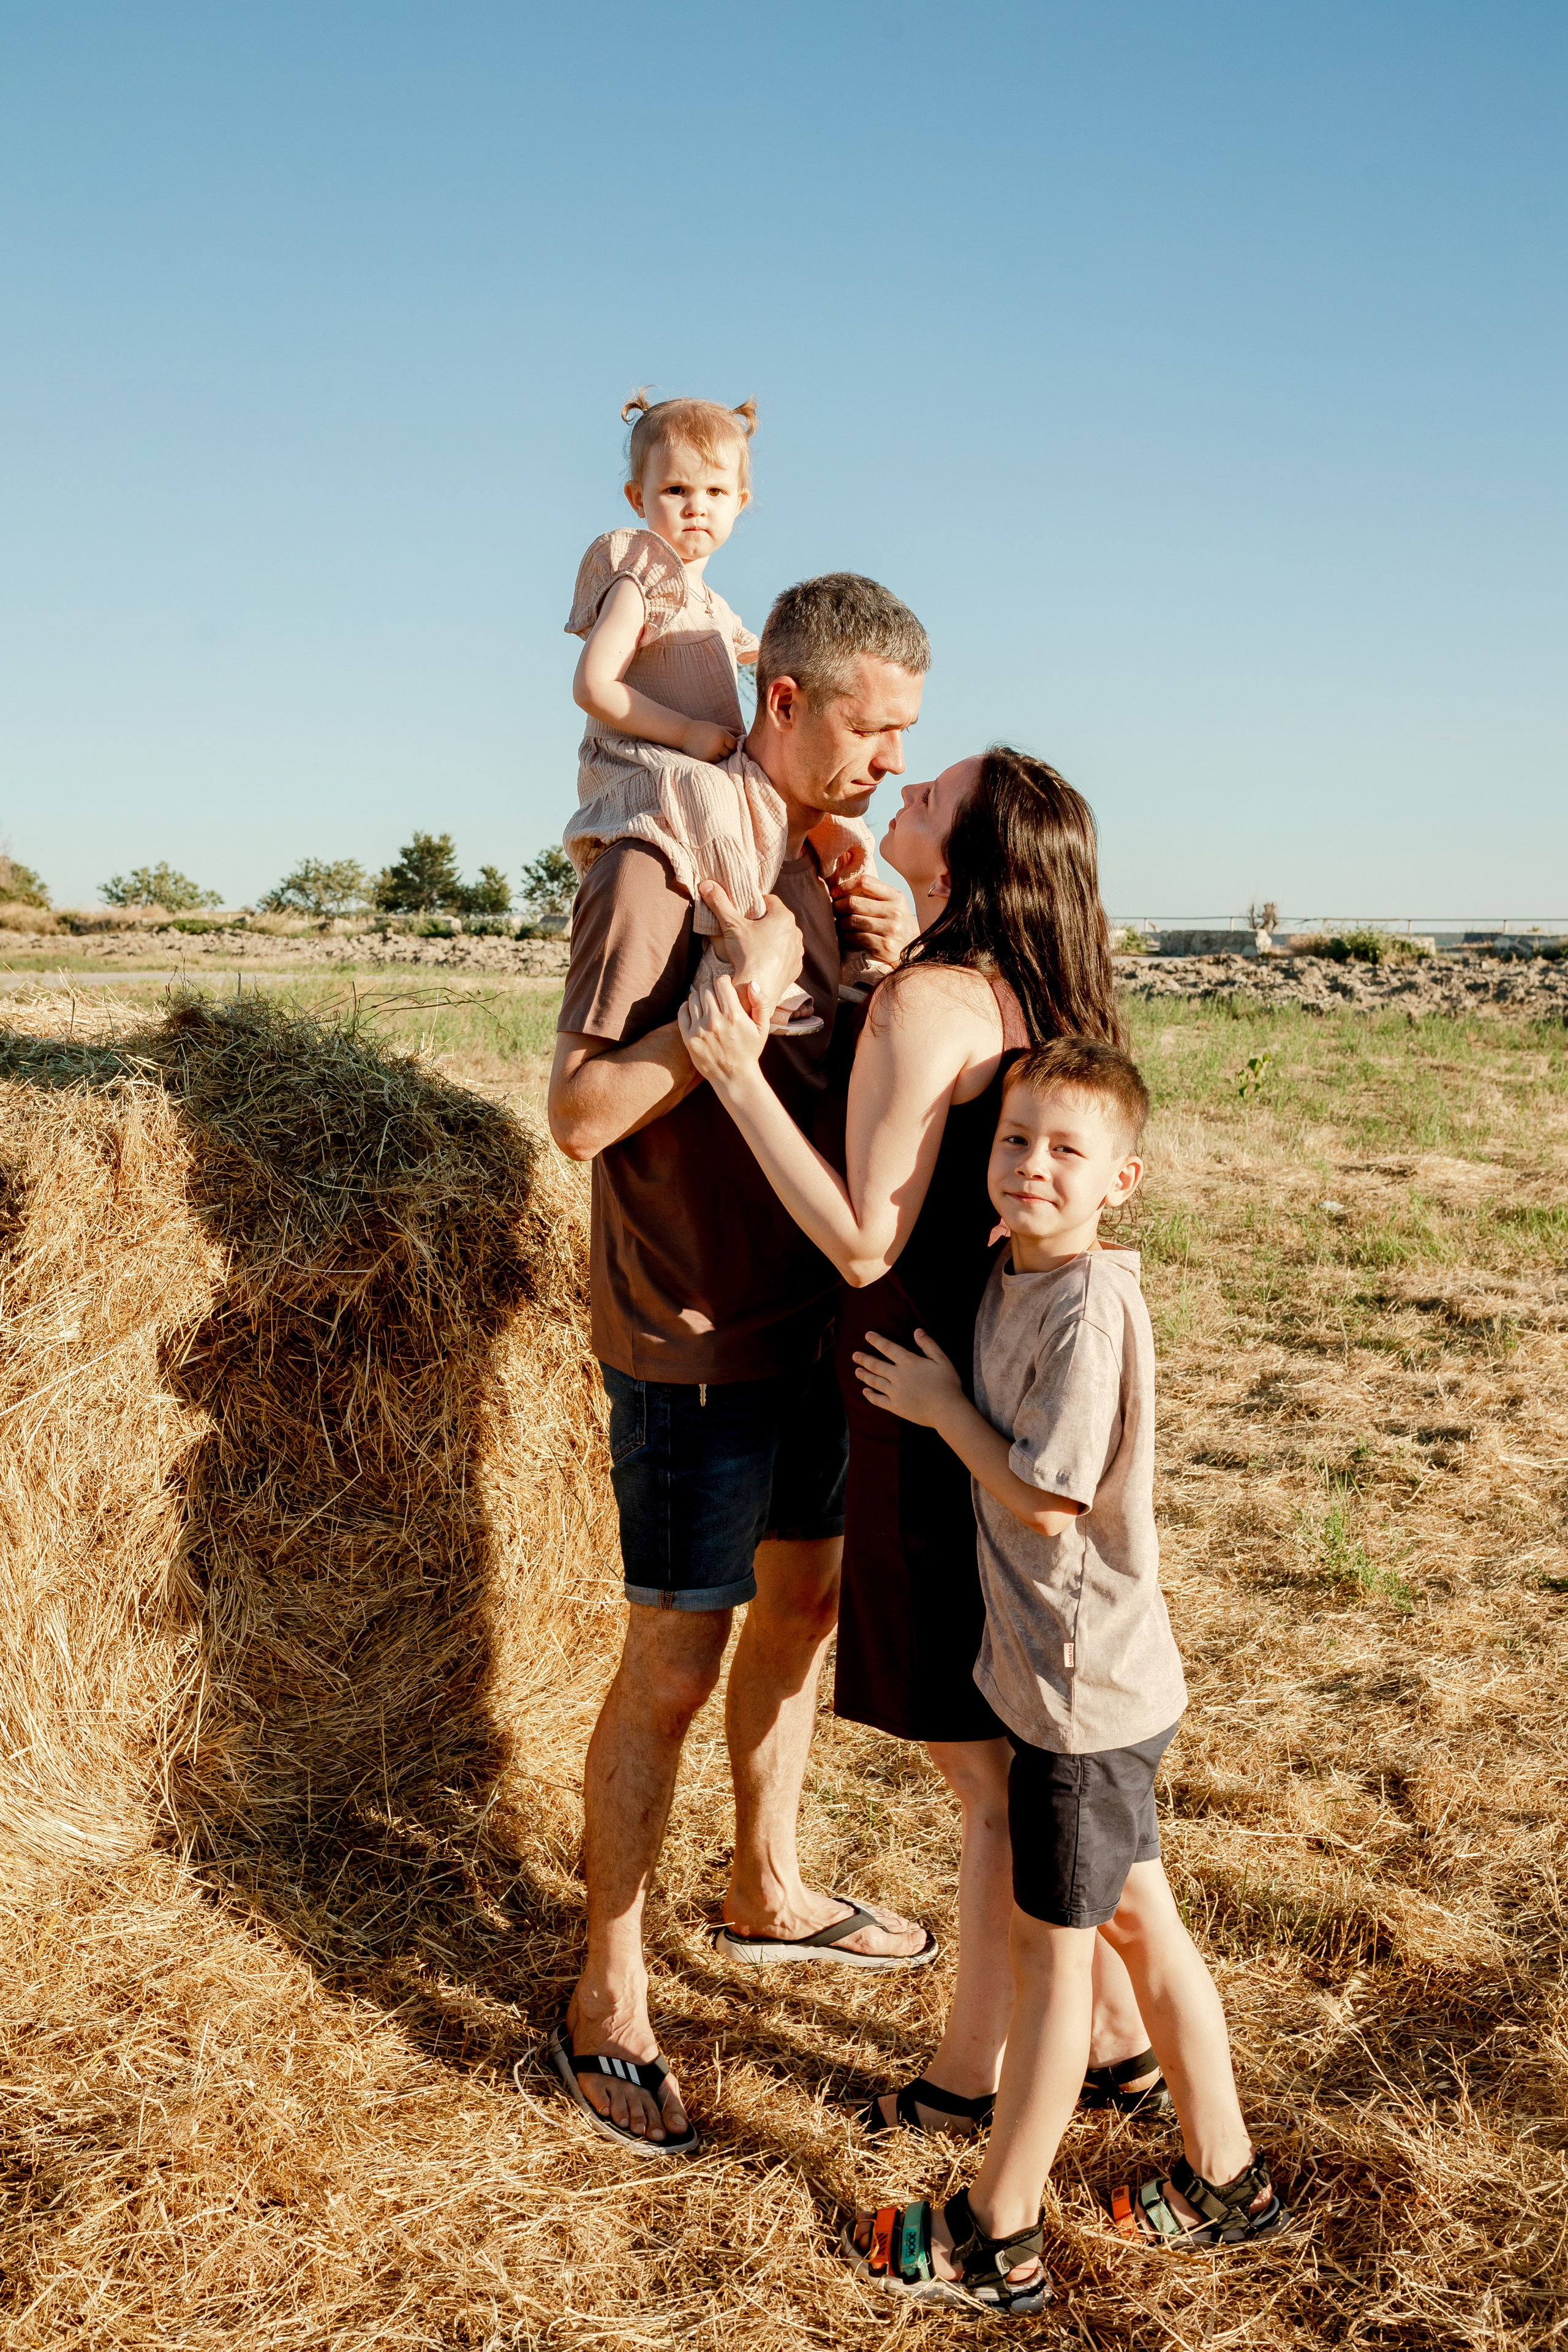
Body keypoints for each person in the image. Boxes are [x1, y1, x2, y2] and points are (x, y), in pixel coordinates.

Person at [679, 750, 1164, 2141]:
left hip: (918, 1400)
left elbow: (856, 1234)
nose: (895, 799)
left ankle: (967, 2082)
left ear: (963, 853)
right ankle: (1122, 2042)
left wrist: (731, 1071)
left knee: (984, 1773)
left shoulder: (930, 998)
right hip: (990, 1384)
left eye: (922, 800)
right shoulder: (1035, 993)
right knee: (998, 1761)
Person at [544, 570, 937, 2158]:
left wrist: (896, 948)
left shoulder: (837, 863)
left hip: (816, 1333)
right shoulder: (653, 866)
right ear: (784, 698)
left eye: (914, 731)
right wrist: (719, 1012)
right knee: (675, 1665)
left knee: (808, 1608)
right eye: (874, 727)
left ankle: (766, 1885)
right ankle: (606, 1989)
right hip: (690, 1336)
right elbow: (577, 1116)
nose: (896, 760)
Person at [838, 1039, 1289, 2312]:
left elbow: (1046, 1497)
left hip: (1079, 1698)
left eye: (1064, 1148)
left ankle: (997, 2233)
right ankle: (1224, 2180)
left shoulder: (1088, 1309)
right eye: (1013, 1139)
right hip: (1089, 1684)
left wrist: (935, 1405)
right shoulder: (1014, 1270)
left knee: (1054, 1968)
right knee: (1144, 1926)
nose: (1031, 1163)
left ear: (1121, 1182)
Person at [562, 391, 883, 1030]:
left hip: (703, 758)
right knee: (711, 794)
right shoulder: (638, 579)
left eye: (713, 492)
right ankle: (745, 961)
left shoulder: (714, 604)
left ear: (738, 503)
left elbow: (763, 659)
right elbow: (593, 687)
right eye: (676, 489)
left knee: (822, 813)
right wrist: (683, 732)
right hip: (641, 761)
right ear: (638, 499)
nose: (694, 507)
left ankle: (862, 954)